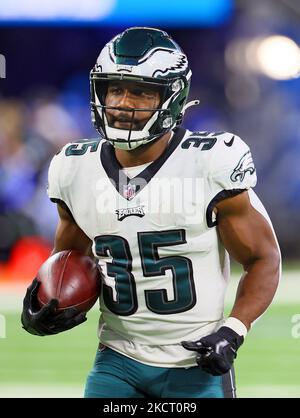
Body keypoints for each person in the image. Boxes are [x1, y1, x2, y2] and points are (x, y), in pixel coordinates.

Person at [21, 27, 281, 398]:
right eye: (115, 89)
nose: (124, 103)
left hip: (196, 361)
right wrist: (45, 303)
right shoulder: (72, 168)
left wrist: (233, 330)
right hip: (117, 361)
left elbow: (263, 258)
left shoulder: (211, 161)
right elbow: (70, 261)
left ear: (173, 97)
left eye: (142, 92)